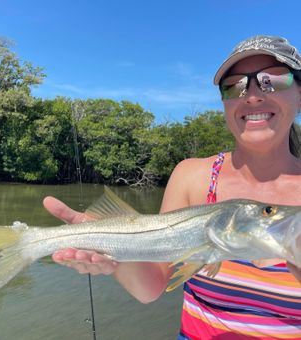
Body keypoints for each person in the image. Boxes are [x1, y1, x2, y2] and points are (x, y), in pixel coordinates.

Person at [44, 35, 301, 339]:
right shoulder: (192, 176)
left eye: (272, 80)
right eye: (235, 85)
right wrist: (113, 257)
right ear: (225, 102)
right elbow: (152, 286)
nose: (253, 95)